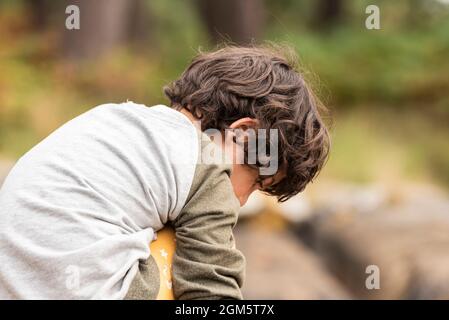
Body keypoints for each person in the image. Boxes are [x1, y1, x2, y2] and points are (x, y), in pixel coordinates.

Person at [0, 45, 330, 299]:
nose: (242, 201)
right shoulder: (208, 164)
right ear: (243, 133)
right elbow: (212, 284)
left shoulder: (113, 118)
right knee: (182, 243)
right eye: (256, 182)